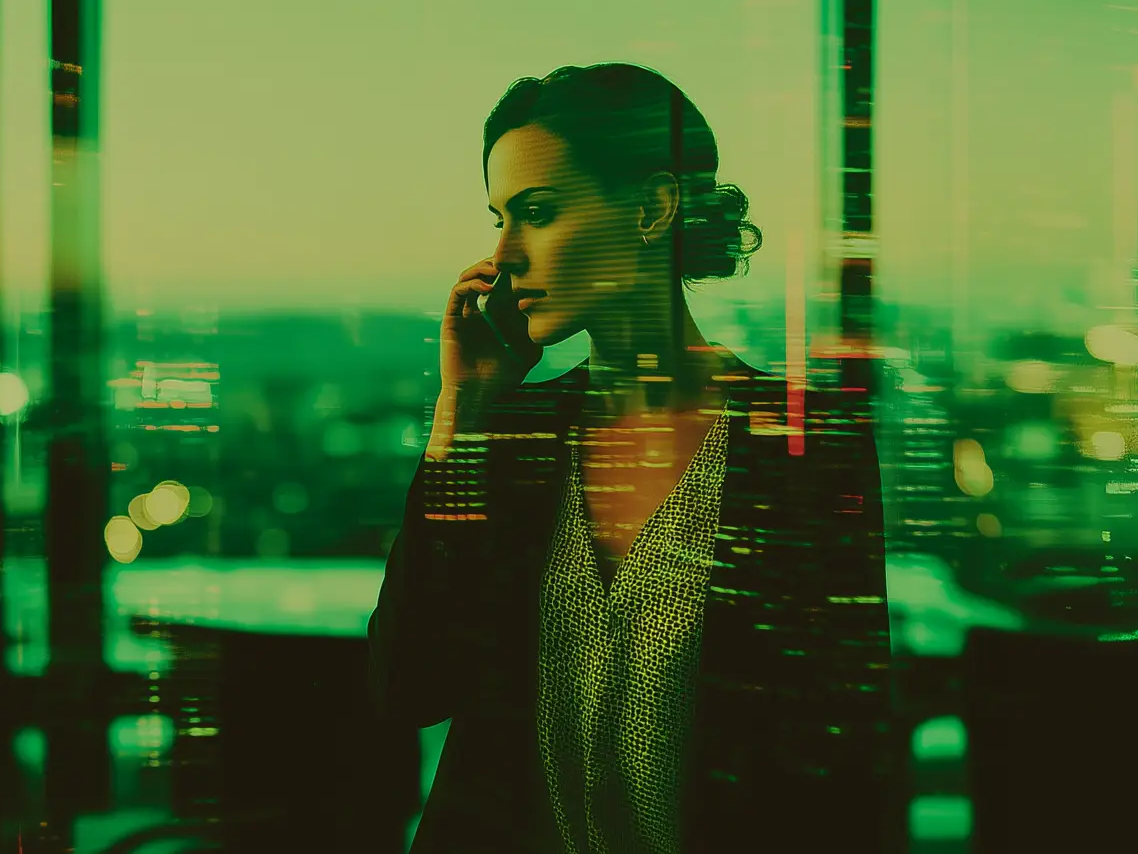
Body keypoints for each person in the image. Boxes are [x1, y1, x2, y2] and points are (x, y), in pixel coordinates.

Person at [368, 63, 897, 853]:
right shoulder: (514, 437)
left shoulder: (804, 446)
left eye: (537, 213)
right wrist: (462, 412)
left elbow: (841, 759)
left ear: (653, 207)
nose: (504, 253)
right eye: (498, 219)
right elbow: (408, 685)